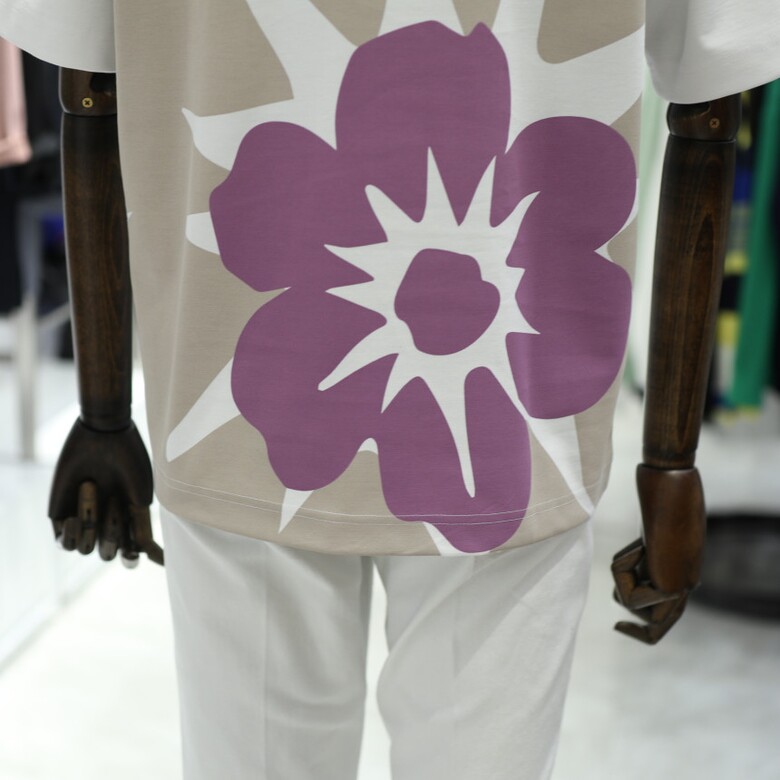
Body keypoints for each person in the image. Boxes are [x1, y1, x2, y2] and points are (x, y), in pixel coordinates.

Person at [1, 3, 778, 778]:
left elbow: (88, 87)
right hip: (465, 415)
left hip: (396, 411)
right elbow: (708, 108)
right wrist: (670, 462)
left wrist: (105, 412)